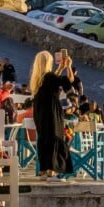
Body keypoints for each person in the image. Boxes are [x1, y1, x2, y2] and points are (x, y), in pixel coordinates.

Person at [30, 50, 74, 180]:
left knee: (44, 139)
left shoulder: (38, 78)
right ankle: (52, 170)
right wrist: (69, 66)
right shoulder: (49, 77)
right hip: (51, 111)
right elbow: (68, 82)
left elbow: (53, 80)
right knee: (54, 137)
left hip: (40, 112)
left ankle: (43, 170)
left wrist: (60, 68)